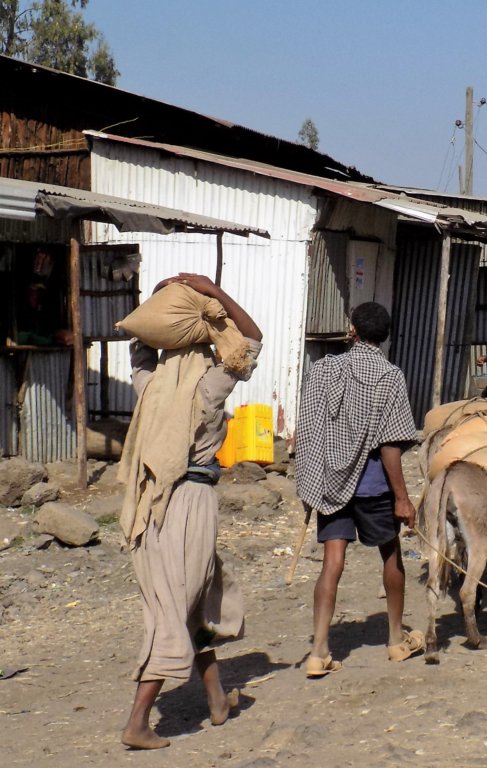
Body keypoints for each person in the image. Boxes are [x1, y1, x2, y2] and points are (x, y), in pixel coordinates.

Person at [119, 273, 262, 750]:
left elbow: (139, 341)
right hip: (189, 506)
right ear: (203, 353)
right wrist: (215, 293)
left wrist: (156, 301)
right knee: (175, 606)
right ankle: (138, 722)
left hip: (149, 506)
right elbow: (251, 342)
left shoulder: (150, 384)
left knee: (195, 600)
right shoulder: (207, 388)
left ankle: (217, 700)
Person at [295, 302, 423, 677]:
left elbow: (310, 426)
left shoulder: (322, 371)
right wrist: (402, 498)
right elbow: (390, 445)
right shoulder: (390, 376)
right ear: (384, 337)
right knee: (391, 555)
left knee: (332, 563)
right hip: (372, 487)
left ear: (352, 330)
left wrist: (314, 477)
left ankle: (318, 650)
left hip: (331, 484)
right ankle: (396, 639)